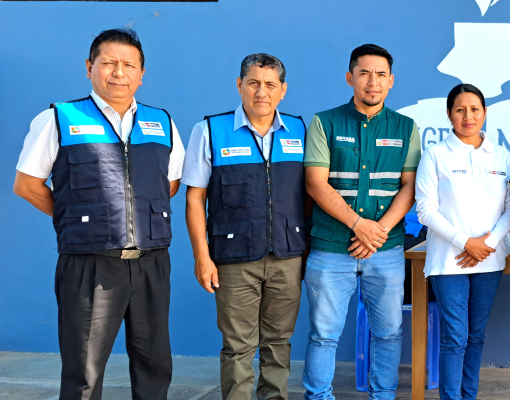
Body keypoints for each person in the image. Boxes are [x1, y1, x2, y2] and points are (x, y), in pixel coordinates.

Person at [12, 28, 185, 400]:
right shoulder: (59, 118)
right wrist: (76, 218)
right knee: (84, 375)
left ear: (142, 73)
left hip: (152, 263)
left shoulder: (162, 122)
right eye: (108, 63)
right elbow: (26, 185)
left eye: (129, 65)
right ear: (90, 67)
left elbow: (169, 184)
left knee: (155, 368)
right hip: (90, 264)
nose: (119, 72)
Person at [182, 53, 307, 400]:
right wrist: (202, 257)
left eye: (270, 84)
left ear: (282, 90)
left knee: (279, 342)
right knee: (238, 346)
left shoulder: (300, 130)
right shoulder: (210, 130)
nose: (261, 92)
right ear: (239, 85)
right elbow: (195, 199)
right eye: (253, 83)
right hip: (233, 259)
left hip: (287, 257)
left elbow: (308, 196)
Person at [301, 43, 421, 400]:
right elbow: (315, 183)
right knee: (323, 335)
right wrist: (359, 225)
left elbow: (410, 186)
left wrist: (377, 232)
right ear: (349, 77)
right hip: (330, 248)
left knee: (389, 333)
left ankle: (382, 396)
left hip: (386, 249)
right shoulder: (324, 122)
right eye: (364, 73)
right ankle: (318, 397)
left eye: (381, 74)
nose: (373, 81)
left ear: (391, 81)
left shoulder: (406, 127)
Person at [414, 83, 510, 400]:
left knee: (475, 336)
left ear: (484, 113)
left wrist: (487, 243)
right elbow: (425, 210)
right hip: (449, 261)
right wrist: (465, 242)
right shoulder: (435, 155)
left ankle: (467, 396)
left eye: (474, 109)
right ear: (449, 114)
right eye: (460, 110)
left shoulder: (502, 156)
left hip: (490, 260)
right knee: (455, 337)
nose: (468, 116)